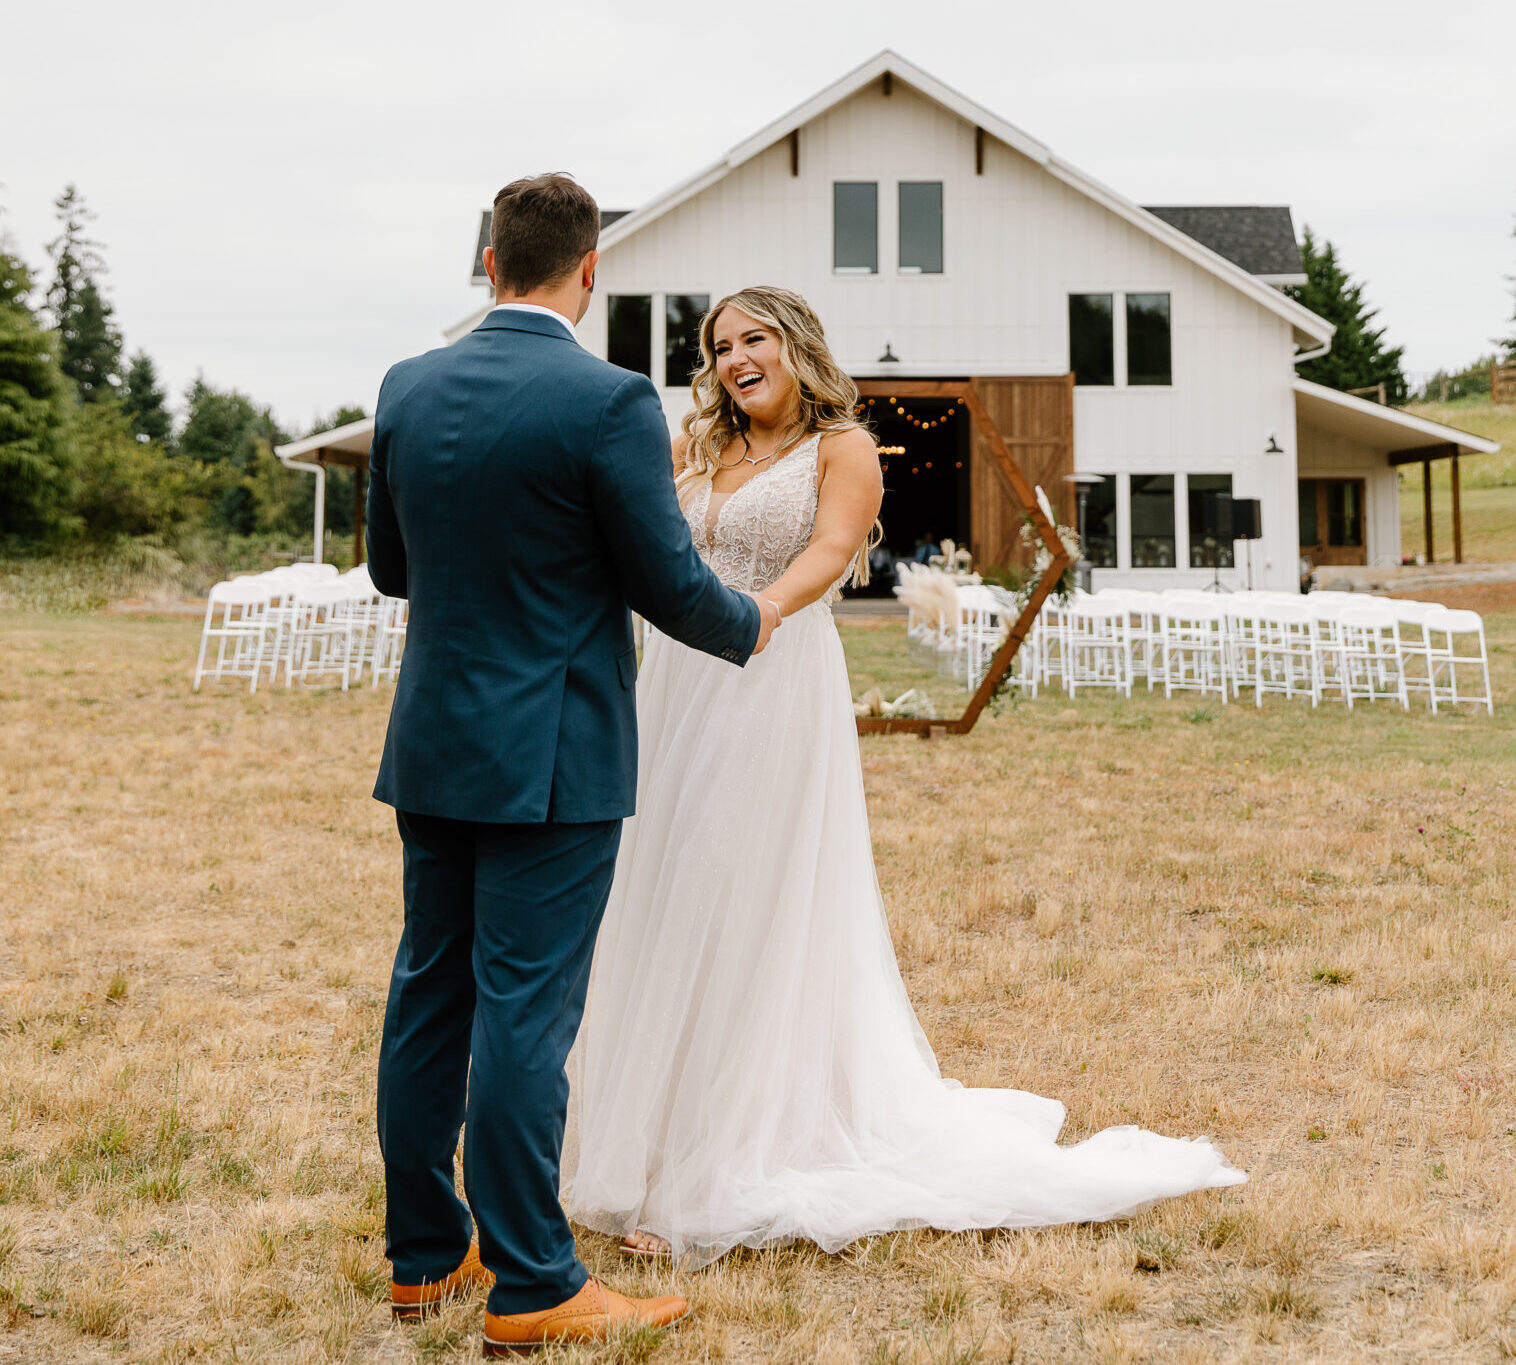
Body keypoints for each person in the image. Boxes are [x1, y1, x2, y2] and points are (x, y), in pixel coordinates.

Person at [564, 286, 1244, 1268]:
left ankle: (721, 1157)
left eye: (753, 338)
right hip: (672, 686)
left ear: (795, 346)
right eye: (718, 346)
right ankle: (647, 1141)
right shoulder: (693, 446)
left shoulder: (842, 448)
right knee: (661, 885)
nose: (734, 358)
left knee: (734, 892)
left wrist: (748, 621)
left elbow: (829, 555)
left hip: (767, 671)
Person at [365, 174, 779, 1356]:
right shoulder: (607, 402)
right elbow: (665, 582)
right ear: (587, 272)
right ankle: (536, 1280)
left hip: (434, 740)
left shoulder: (407, 384)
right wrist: (756, 623)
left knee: (429, 992)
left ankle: (422, 1257)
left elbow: (395, 570)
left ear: (488, 261)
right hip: (552, 751)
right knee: (526, 1015)